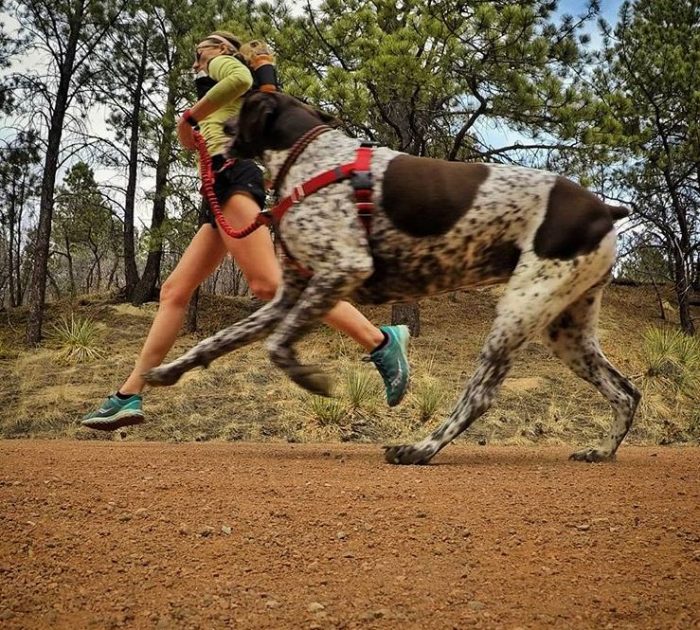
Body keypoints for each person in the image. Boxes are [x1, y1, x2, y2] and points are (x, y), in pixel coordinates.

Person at [82, 31, 410, 431]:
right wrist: (193, 128)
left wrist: (190, 116)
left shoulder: (219, 65)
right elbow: (207, 130)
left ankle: (381, 341)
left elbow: (236, 81)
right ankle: (127, 395)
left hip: (232, 178)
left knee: (269, 285)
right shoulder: (222, 92)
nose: (194, 58)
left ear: (218, 48)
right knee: (174, 291)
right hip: (219, 184)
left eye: (198, 48)